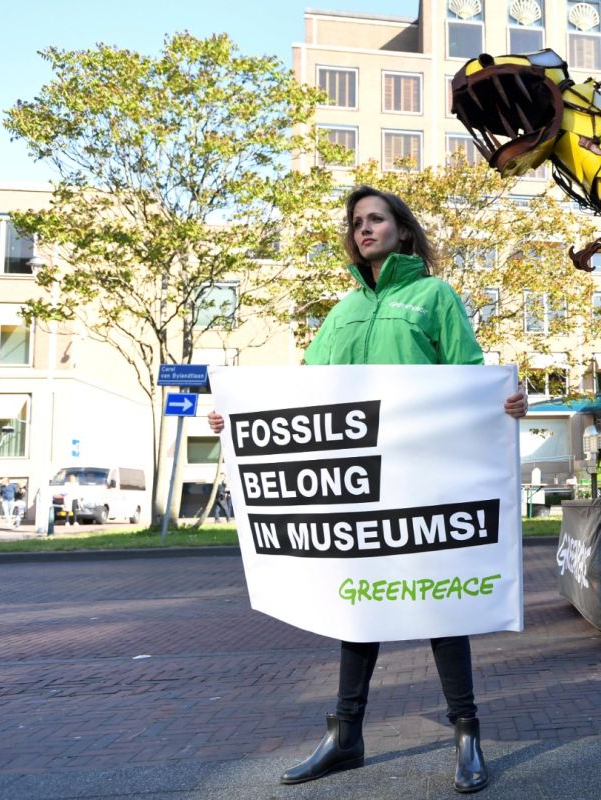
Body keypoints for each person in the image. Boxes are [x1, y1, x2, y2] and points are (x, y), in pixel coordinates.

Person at [209, 185, 527, 794]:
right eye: (356, 221)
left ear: (403, 232)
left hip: (427, 475)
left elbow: (468, 375)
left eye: (375, 219)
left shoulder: (433, 295)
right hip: (361, 486)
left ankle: (467, 736)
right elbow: (302, 395)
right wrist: (238, 419)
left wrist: (505, 402)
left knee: (442, 600)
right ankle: (344, 735)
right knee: (356, 602)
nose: (363, 228)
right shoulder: (341, 311)